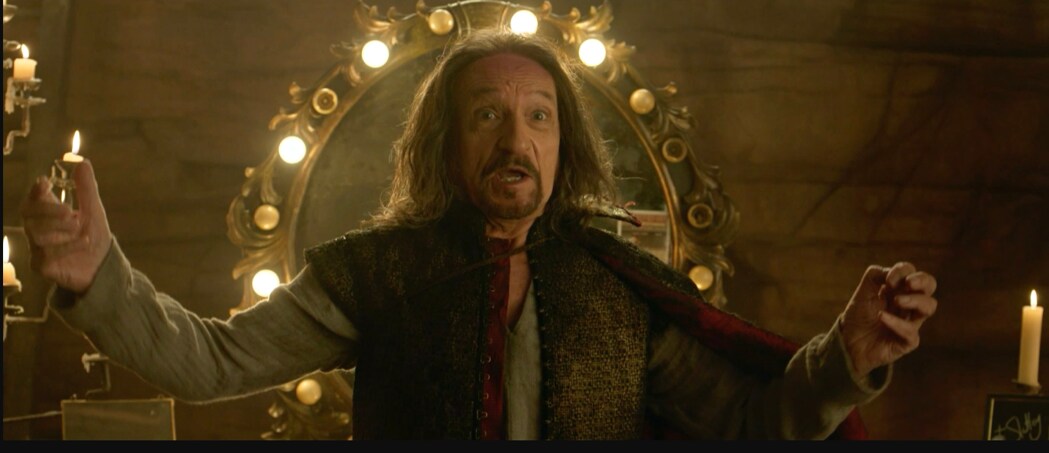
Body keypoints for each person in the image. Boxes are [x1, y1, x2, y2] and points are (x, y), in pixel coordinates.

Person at [20, 30, 937, 440]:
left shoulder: (618, 286)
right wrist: (100, 276)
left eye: (538, 115)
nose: (514, 140)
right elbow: (209, 363)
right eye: (486, 114)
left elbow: (753, 424)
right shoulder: (378, 273)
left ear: (563, 142)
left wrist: (843, 358)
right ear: (445, 141)